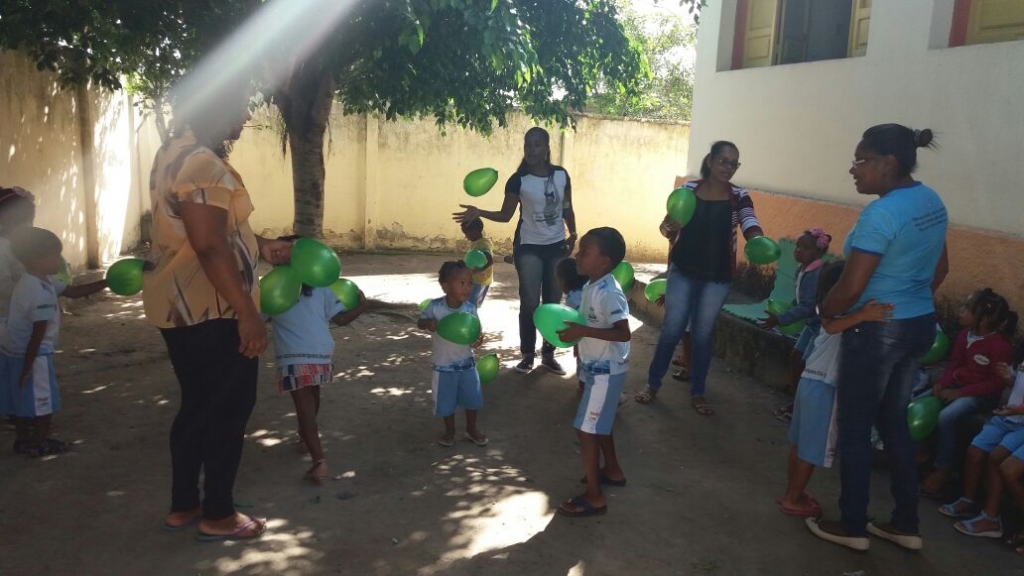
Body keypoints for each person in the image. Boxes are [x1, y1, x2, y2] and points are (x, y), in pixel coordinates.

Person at [144, 84, 293, 540]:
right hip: (210, 309)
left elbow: (203, 231)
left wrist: (259, 245)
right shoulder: (202, 164)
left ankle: (184, 505)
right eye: (239, 108)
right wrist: (247, 312)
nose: (245, 117)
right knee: (229, 408)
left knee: (197, 404)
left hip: (180, 306)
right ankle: (219, 515)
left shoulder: (174, 152)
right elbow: (208, 246)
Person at [806, 124, 948, 552]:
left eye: (860, 160)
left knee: (854, 428)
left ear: (888, 163)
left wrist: (825, 311)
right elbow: (940, 269)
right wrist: (908, 299)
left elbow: (850, 288)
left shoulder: (881, 214)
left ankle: (853, 526)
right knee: (894, 423)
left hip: (877, 331)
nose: (853, 169)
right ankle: (906, 524)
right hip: (918, 324)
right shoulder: (931, 201)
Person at [636, 141, 765, 416]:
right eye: (723, 161)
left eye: (733, 163)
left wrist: (757, 239)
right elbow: (667, 227)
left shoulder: (738, 195)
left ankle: (698, 392)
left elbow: (749, 221)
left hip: (718, 276)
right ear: (710, 160)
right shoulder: (689, 190)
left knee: (703, 335)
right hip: (683, 270)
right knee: (672, 330)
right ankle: (652, 384)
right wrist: (667, 226)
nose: (728, 168)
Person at [453, 127, 577, 376]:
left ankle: (548, 355)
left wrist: (573, 234)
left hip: (556, 246)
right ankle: (528, 355)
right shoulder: (518, 179)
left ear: (547, 148)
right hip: (528, 245)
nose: (531, 149)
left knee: (552, 301)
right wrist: (479, 211)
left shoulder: (561, 175)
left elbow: (567, 208)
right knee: (530, 301)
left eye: (537, 144)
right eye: (527, 144)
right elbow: (506, 214)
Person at [776, 262, 894, 516]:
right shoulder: (843, 318)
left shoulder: (829, 311)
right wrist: (863, 315)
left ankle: (791, 492)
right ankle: (793, 499)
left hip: (809, 382)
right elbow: (833, 327)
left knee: (799, 444)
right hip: (824, 388)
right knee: (811, 449)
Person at [1, 228, 106, 456]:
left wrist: (106, 282)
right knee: (43, 400)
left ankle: (23, 439)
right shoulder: (40, 293)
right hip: (33, 354)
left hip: (14, 349)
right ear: (35, 260)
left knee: (20, 397)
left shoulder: (35, 280)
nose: (60, 260)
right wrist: (28, 366)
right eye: (54, 255)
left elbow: (74, 292)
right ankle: (40, 441)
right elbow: (37, 334)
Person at [555, 227, 631, 517]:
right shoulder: (592, 284)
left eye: (585, 251)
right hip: (596, 367)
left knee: (585, 428)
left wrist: (582, 332)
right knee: (600, 424)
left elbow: (623, 333)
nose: (577, 255)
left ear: (604, 262)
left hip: (605, 371)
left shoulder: (609, 293)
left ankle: (595, 496)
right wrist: (579, 337)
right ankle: (612, 470)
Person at [268, 279, 373, 483]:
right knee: (313, 395)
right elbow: (341, 319)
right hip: (320, 352)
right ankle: (303, 437)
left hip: (293, 354)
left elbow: (259, 317)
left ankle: (318, 461)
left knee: (304, 407)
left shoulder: (273, 286)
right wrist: (364, 305)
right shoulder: (321, 287)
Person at [919, 289, 1016, 498]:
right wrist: (943, 384)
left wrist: (961, 393)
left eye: (967, 308)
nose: (961, 311)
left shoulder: (1000, 346)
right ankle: (922, 452)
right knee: (919, 401)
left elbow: (996, 383)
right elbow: (954, 363)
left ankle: (943, 469)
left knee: (947, 416)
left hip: (981, 395)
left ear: (984, 319)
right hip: (957, 386)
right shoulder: (964, 335)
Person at [939, 355, 1023, 543]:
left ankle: (991, 517)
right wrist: (1008, 378)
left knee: (1002, 463)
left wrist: (1018, 410)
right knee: (976, 451)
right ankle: (978, 508)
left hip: (1019, 419)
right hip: (1010, 416)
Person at [763, 228, 832, 422]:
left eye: (806, 248)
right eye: (798, 246)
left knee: (807, 365)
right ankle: (796, 400)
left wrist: (781, 319)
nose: (799, 250)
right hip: (811, 325)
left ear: (818, 252)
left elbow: (808, 307)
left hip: (821, 327)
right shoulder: (802, 270)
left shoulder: (815, 274)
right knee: (796, 358)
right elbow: (802, 300)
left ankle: (802, 407)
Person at [418, 261, 488, 447]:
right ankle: (449, 431)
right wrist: (428, 323)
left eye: (470, 283)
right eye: (462, 283)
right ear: (445, 286)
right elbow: (420, 322)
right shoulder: (434, 307)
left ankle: (471, 429)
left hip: (467, 364)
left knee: (472, 399)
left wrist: (477, 340)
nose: (467, 288)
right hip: (443, 366)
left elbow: (475, 332)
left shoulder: (470, 309)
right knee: (446, 401)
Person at [556, 257, 588, 394]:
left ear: (564, 280)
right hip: (597, 333)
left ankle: (583, 387)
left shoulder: (572, 298)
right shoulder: (587, 290)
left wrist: (576, 343)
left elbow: (577, 321)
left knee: (583, 361)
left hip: (585, 336)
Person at [461, 218, 494, 308]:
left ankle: (470, 316)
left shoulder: (483, 245)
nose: (466, 237)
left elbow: (490, 261)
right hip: (480, 280)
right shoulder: (478, 241)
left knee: (470, 304)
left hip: (478, 281)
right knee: (472, 302)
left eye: (467, 233)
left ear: (475, 231)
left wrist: (477, 271)